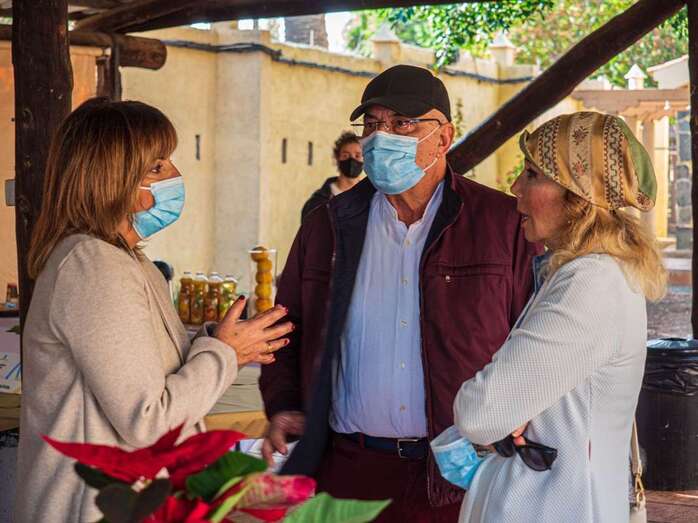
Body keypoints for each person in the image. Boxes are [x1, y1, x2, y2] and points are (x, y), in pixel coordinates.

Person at [260, 64, 540, 522]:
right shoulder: (328, 225)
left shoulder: (502, 223)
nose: (381, 137)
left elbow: (535, 338)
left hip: (460, 475)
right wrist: (285, 403)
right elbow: (286, 327)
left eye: (403, 123)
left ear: (444, 137)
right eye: (372, 125)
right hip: (349, 471)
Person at [15, 98, 293, 523]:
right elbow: (147, 420)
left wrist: (216, 342)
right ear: (114, 179)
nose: (176, 176)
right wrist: (226, 354)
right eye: (158, 167)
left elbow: (145, 369)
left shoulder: (127, 261)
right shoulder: (95, 266)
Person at [453, 112, 667, 522]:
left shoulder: (591, 283)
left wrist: (506, 413)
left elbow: (479, 412)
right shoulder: (588, 272)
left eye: (532, 175)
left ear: (579, 196)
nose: (516, 188)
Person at [300, 131, 363, 221]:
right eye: (345, 155)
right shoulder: (317, 203)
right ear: (337, 158)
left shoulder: (371, 198)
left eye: (357, 155)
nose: (351, 160)